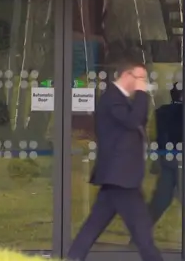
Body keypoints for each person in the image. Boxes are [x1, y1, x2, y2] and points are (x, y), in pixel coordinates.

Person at [66, 60, 164, 261]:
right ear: (127, 75)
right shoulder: (112, 99)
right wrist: (142, 93)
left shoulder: (121, 99)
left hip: (119, 178)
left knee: (94, 226)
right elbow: (133, 121)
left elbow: (138, 119)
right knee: (143, 234)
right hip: (121, 178)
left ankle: (73, 258)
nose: (143, 83)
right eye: (140, 78)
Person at [148, 83, 184, 225]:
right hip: (183, 161)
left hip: (166, 159)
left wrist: (156, 157)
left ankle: (138, 236)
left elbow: (154, 135)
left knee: (160, 200)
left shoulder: (160, 112)